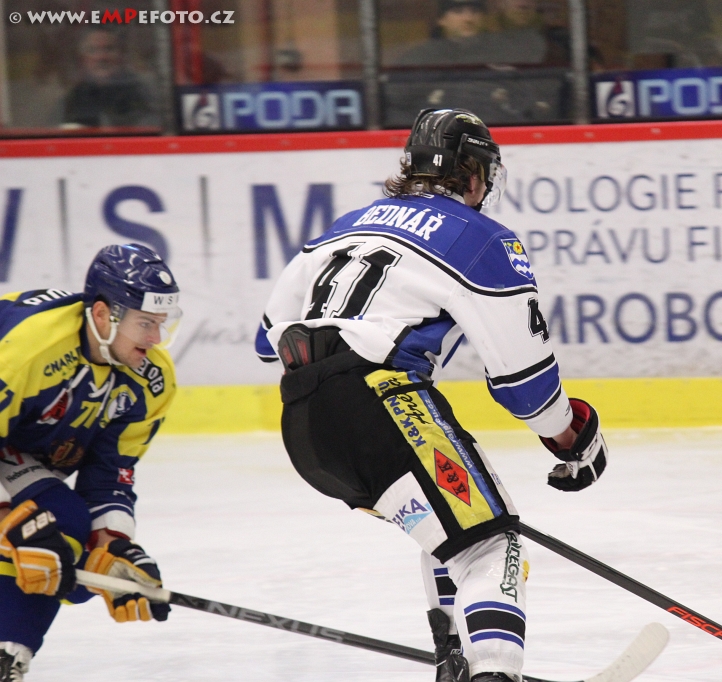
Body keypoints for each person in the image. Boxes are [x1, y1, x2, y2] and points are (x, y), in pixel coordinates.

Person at [255, 108, 608, 682]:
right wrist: (571, 436)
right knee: (492, 547)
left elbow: (266, 339)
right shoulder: (480, 238)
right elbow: (524, 385)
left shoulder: (344, 226)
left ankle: (458, 664)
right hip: (380, 404)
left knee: (452, 535)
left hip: (304, 424)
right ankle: (493, 673)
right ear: (475, 173)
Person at [0, 244, 181, 682]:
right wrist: (6, 519)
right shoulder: (26, 349)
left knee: (68, 546)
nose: (156, 339)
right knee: (39, 532)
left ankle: (7, 653)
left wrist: (113, 545)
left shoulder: (150, 382)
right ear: (102, 315)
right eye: (145, 323)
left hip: (12, 447)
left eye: (161, 323)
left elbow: (111, 474)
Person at [62, 28, 154, 128]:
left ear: (122, 55)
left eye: (109, 49)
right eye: (92, 50)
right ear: (81, 59)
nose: (101, 57)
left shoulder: (143, 94)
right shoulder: (71, 100)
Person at [397, 0, 501, 66]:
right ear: (441, 19)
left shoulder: (500, 53)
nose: (468, 18)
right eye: (458, 11)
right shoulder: (420, 58)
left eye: (474, 11)